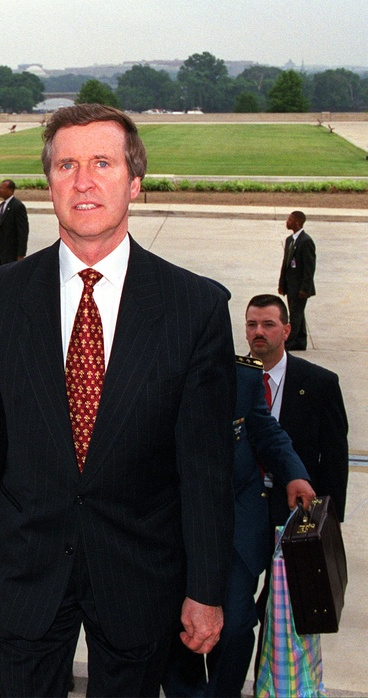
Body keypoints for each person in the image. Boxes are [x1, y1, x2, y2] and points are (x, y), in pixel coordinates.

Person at [0, 104, 235, 698]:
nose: (83, 181)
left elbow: (205, 470)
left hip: (140, 572)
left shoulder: (194, 307)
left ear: (134, 183)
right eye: (66, 165)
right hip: (26, 569)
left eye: (102, 163)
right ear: (48, 182)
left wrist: (206, 589)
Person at [163, 348, 314, 698]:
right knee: (176, 627)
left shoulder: (243, 377)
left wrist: (295, 475)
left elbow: (268, 434)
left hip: (236, 525)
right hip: (174, 526)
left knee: (235, 624)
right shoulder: (155, 368)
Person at [245, 294, 348, 524]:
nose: (258, 332)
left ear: (286, 331)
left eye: (268, 325)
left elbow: (334, 459)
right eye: (252, 325)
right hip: (243, 512)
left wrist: (328, 519)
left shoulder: (320, 384)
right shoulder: (229, 379)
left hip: (295, 509)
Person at [277, 211, 316, 351]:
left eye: (290, 219)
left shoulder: (306, 241)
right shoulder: (289, 240)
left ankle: (289, 342)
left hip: (300, 287)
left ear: (298, 223)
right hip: (290, 285)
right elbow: (285, 264)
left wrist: (305, 288)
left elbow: (309, 267)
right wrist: (282, 283)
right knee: (298, 313)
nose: (287, 222)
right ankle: (300, 341)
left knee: (295, 315)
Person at [0, 179, 29, 267]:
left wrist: (21, 254)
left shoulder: (17, 206)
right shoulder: (1, 206)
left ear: (10, 190)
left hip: (11, 253)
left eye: (2, 188)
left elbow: (23, 231)